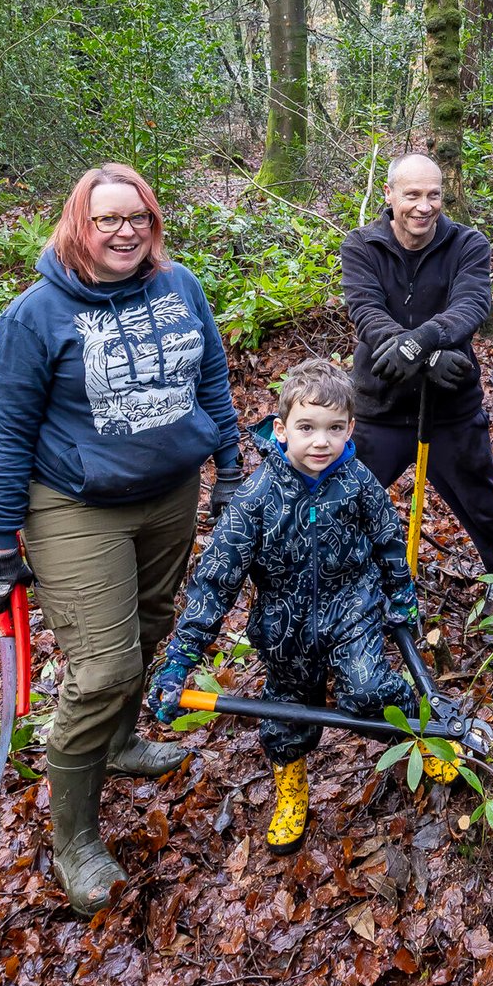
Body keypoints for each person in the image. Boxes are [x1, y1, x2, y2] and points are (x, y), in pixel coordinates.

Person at [0, 163, 242, 917]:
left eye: (139, 218)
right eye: (108, 220)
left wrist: (231, 466)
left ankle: (121, 742)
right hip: (76, 504)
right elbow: (9, 437)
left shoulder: (179, 285)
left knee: (154, 623)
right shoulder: (33, 317)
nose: (126, 232)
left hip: (169, 492)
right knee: (102, 665)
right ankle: (76, 840)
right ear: (78, 226)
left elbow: (211, 376)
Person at [148, 359, 419, 858]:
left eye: (335, 429)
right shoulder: (255, 499)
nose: (322, 442)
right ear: (281, 429)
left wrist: (400, 595)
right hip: (285, 626)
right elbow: (215, 582)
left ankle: (420, 730)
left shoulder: (359, 483)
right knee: (288, 714)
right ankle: (292, 787)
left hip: (351, 609)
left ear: (351, 429)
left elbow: (387, 540)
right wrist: (180, 661)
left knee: (368, 689)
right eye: (307, 428)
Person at [340, 152, 493, 575]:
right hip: (379, 407)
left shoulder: (467, 244)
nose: (424, 206)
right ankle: (334, 588)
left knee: (485, 509)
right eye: (413, 195)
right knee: (345, 504)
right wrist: (423, 358)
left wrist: (422, 341)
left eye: (434, 195)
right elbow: (366, 311)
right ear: (389, 195)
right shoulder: (361, 245)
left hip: (451, 408)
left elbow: (472, 304)